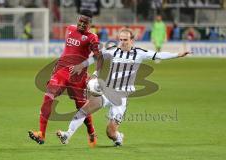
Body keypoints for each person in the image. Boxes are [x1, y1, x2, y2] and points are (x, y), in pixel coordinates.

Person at [56, 28, 190, 146]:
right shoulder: (114, 50)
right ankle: (67, 135)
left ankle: (118, 136)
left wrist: (177, 55)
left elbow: (159, 55)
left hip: (121, 97)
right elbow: (98, 56)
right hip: (107, 91)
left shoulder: (140, 53)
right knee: (84, 110)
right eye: (120, 39)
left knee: (110, 132)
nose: (122, 42)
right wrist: (94, 72)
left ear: (132, 40)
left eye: (125, 39)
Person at [28, 10, 103, 147]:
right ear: (77, 19)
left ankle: (91, 132)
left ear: (90, 24)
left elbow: (98, 56)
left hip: (78, 78)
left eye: (85, 23)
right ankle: (41, 133)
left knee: (81, 108)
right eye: (80, 21)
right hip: (61, 72)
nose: (81, 24)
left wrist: (96, 73)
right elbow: (66, 52)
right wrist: (53, 73)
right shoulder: (69, 29)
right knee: (48, 97)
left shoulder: (92, 38)